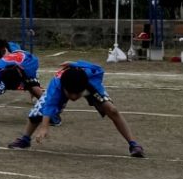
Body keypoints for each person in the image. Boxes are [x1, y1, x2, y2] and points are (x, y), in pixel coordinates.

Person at [8, 61, 146, 157]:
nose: (74, 98)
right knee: (36, 113)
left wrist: (76, 63)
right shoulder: (56, 86)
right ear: (64, 89)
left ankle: (133, 144)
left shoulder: (92, 78)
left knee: (112, 110)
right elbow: (49, 105)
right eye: (70, 94)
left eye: (77, 94)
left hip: (86, 85)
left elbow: (98, 68)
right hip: (63, 87)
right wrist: (44, 126)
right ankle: (25, 139)